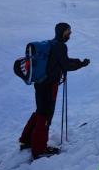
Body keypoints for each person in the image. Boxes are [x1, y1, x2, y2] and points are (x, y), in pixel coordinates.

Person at [19, 22, 90, 159]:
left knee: (40, 111)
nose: (70, 34)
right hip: (50, 85)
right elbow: (66, 65)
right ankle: (39, 150)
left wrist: (79, 61)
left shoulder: (51, 43)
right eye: (68, 32)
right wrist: (81, 64)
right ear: (62, 32)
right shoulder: (61, 46)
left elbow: (63, 61)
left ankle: (26, 140)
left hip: (40, 82)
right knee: (46, 115)